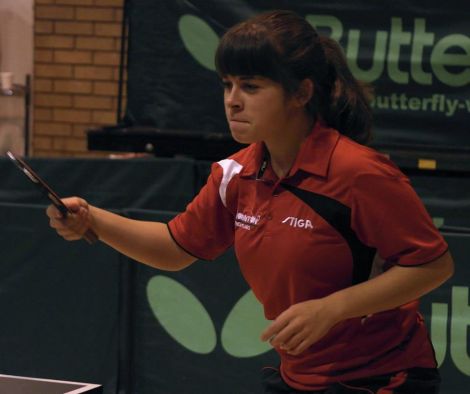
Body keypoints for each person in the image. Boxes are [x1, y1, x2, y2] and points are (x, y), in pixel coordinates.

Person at [47, 10, 453, 394]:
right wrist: (91, 220)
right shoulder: (236, 174)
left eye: (251, 86)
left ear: (301, 93)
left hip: (383, 376)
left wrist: (332, 309)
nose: (233, 100)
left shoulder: (358, 173)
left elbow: (433, 265)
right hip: (298, 376)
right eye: (227, 85)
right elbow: (175, 248)